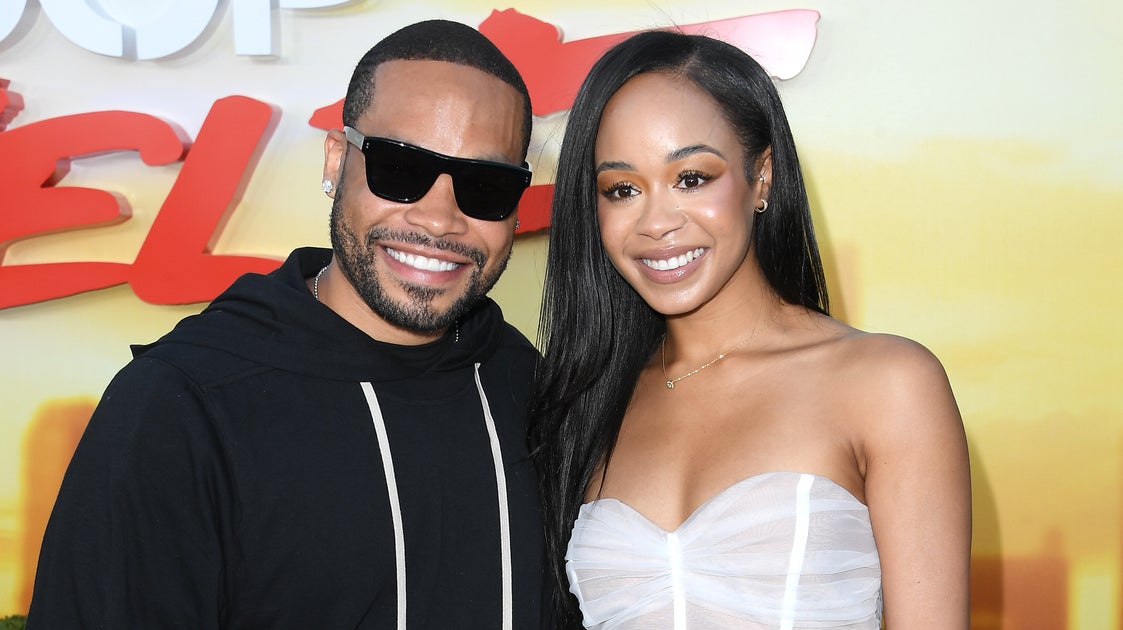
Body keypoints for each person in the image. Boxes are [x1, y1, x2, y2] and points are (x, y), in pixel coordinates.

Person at [28, 19, 546, 629]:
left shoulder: (529, 386)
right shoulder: (182, 405)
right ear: (336, 160)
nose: (439, 219)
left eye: (485, 185)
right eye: (400, 169)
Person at [530, 30, 971, 629]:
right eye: (623, 189)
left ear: (761, 175)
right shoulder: (584, 403)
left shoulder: (888, 384)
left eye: (692, 177)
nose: (656, 222)